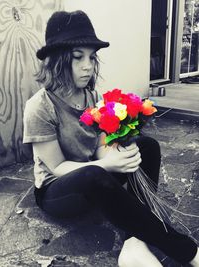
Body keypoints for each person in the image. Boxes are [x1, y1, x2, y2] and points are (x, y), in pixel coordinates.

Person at [23, 10, 199, 267]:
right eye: (77, 58)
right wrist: (106, 165)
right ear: (57, 61)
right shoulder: (39, 107)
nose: (88, 65)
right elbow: (58, 168)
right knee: (95, 175)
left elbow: (99, 146)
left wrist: (118, 156)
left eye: (92, 58)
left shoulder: (91, 97)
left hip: (94, 179)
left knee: (146, 146)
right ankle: (189, 252)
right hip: (57, 192)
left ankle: (134, 243)